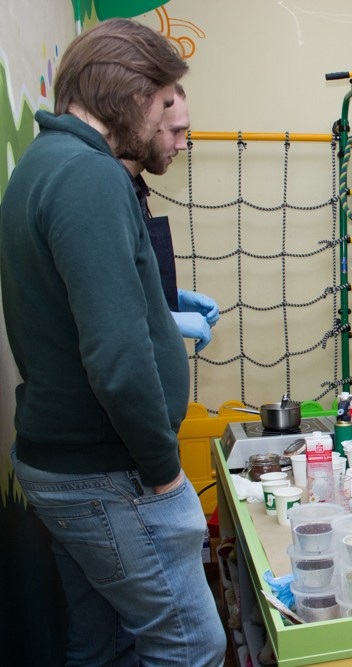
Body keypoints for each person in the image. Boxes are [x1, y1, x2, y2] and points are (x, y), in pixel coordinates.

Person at [1, 18, 226, 666]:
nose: (165, 126)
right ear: (131, 98)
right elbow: (118, 362)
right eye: (163, 105)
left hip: (62, 461)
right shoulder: (90, 177)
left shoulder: (44, 163)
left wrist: (161, 309)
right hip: (105, 472)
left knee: (101, 643)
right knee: (192, 644)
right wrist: (164, 473)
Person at [122, 84, 219, 352]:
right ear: (144, 125)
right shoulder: (109, 192)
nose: (182, 144)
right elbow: (103, 306)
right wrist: (164, 321)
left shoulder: (134, 189)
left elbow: (125, 282)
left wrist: (168, 300)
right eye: (175, 131)